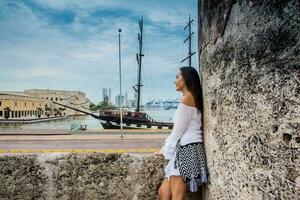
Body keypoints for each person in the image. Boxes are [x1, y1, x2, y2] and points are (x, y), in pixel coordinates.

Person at [154, 66, 208, 200]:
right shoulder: (190, 98)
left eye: (177, 77)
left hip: (186, 151)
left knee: (177, 196)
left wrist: (165, 150)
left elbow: (178, 131)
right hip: (185, 149)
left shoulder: (187, 99)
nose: (175, 81)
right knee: (163, 192)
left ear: (186, 79)